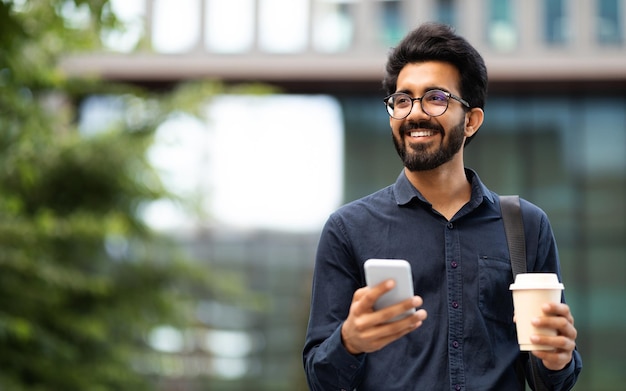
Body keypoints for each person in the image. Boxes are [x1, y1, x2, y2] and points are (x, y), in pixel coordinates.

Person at [302, 22, 582, 390]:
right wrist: (349, 342)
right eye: (403, 100)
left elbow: (549, 379)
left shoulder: (525, 225)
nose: (415, 113)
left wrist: (558, 358)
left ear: (471, 121)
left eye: (435, 98)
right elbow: (320, 378)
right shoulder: (348, 229)